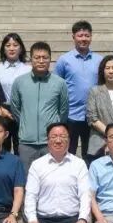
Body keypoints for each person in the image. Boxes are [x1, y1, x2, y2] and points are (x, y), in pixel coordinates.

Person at [10, 42, 69, 171]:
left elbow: (63, 110)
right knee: (26, 178)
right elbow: (15, 109)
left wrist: (54, 130)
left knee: (52, 177)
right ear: (31, 59)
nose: (41, 61)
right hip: (26, 142)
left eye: (45, 57)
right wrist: (26, 124)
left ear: (50, 59)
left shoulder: (60, 83)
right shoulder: (19, 82)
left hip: (51, 142)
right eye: (37, 57)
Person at [55, 20, 102, 161]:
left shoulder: (99, 60)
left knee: (92, 155)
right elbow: (56, 85)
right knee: (68, 153)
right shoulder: (64, 60)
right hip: (71, 115)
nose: (83, 39)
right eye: (80, 35)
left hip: (93, 116)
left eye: (87, 36)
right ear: (73, 37)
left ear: (91, 37)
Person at [0, 33, 31, 154]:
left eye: (15, 45)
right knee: (3, 146)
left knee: (21, 146)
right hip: (2, 110)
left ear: (21, 48)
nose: (12, 48)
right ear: (3, 49)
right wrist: (0, 109)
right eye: (8, 45)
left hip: (22, 110)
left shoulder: (28, 69)